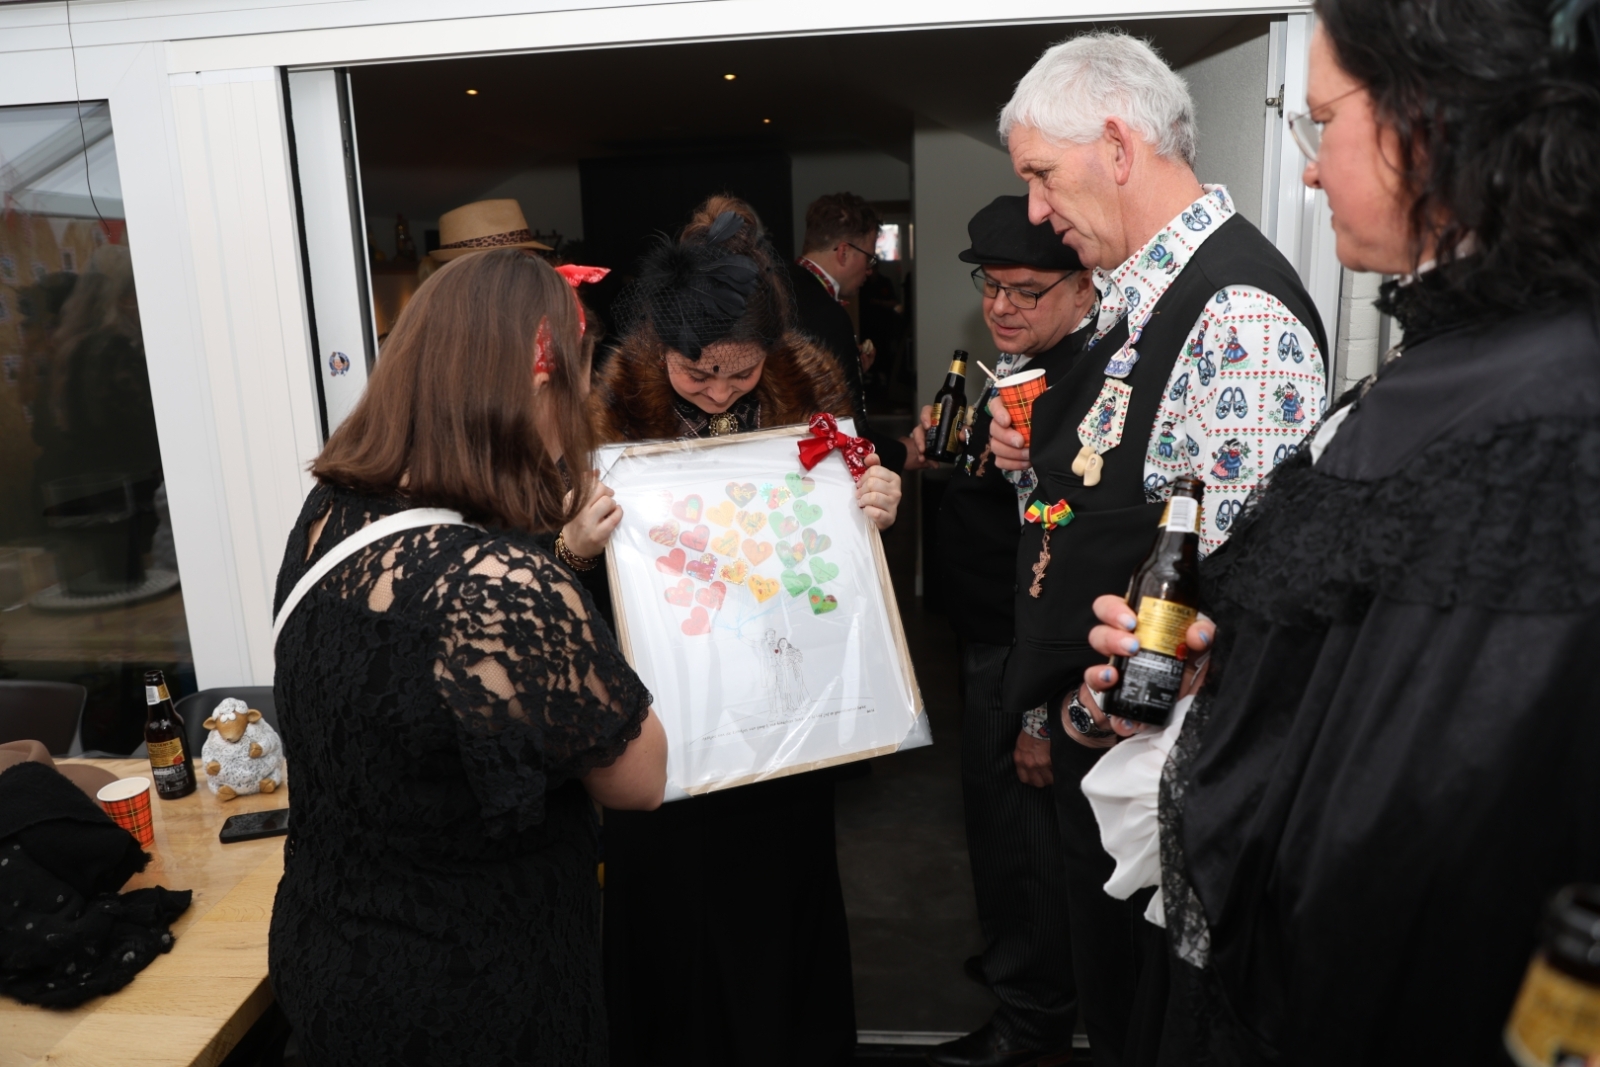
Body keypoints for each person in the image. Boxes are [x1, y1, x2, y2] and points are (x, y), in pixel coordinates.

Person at [1075, 1, 1600, 1061]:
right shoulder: (1455, 365)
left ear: (1429, 122)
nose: (1309, 171)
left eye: (1321, 121)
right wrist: (1210, 669)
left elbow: (1449, 810)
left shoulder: (1545, 417)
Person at [988, 32, 1329, 1067]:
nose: (1036, 209)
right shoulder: (1130, 303)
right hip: (1111, 762)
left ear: (1117, 145)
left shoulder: (1236, 315)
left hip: (1166, 792)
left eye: (1042, 175)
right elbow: (1113, 506)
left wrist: (1085, 717)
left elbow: (1241, 613)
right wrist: (1027, 464)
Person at [268, 248, 667, 1066]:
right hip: (473, 991)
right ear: (533, 383)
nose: (581, 410)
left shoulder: (327, 513)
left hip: (330, 956)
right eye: (575, 385)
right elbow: (641, 778)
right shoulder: (498, 584)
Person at [589, 195, 902, 1067]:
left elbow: (841, 561)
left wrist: (875, 505)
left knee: (779, 916)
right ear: (660, 345)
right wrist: (575, 542)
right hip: (664, 716)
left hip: (782, 715)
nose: (723, 390)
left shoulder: (812, 399)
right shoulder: (607, 420)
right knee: (672, 930)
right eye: (699, 374)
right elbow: (558, 592)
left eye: (742, 371)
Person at [922, 195, 1098, 1067]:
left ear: (1085, 285)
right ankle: (1018, 969)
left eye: (1026, 290)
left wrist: (1038, 710)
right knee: (1001, 838)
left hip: (1025, 657)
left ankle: (1030, 1026)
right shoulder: (1027, 363)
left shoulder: (1087, 383)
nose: (1002, 306)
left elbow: (1075, 558)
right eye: (991, 286)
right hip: (990, 635)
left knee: (1023, 846)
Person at [789, 192, 918, 472]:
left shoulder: (783, 287)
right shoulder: (826, 314)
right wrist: (901, 453)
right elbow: (846, 427)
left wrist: (851, 366)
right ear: (844, 252)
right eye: (869, 259)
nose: (870, 271)